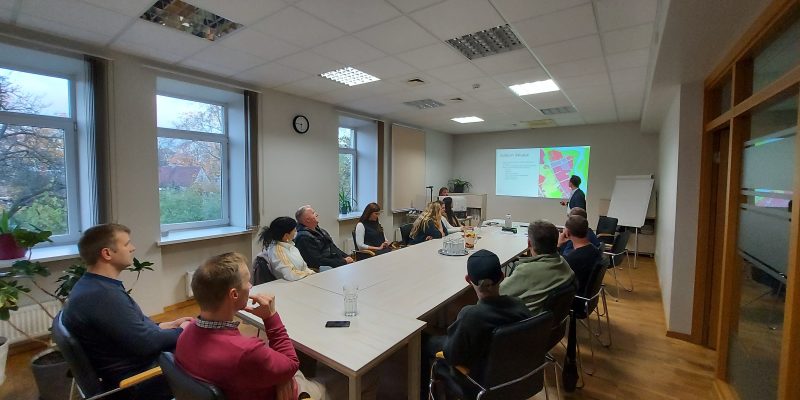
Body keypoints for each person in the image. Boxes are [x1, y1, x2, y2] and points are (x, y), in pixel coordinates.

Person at [175, 252, 344, 400]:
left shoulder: (185, 334)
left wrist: (280, 377)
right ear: (234, 294)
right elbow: (291, 364)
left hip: (249, 385)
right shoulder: (246, 352)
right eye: (247, 282)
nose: (250, 286)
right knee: (342, 380)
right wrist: (270, 317)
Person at [62, 223, 192, 400]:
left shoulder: (92, 285)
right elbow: (146, 343)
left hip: (133, 366)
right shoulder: (102, 296)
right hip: (140, 382)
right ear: (107, 253)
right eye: (126, 244)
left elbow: (129, 329)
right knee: (213, 357)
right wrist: (182, 331)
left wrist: (165, 325)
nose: (133, 248)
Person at [422, 250, 533, 398]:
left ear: (468, 279)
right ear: (502, 277)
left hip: (477, 383)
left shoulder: (470, 316)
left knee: (423, 341)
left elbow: (452, 356)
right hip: (513, 378)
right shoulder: (520, 306)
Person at [500, 220, 575, 315]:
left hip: (524, 320)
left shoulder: (526, 270)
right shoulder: (563, 262)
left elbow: (497, 294)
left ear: (529, 243)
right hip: (548, 319)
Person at [256, 217, 316, 281]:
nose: (296, 231)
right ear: (286, 236)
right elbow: (291, 275)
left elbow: (304, 267)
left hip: (302, 279)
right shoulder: (277, 251)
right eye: (294, 230)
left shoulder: (291, 246)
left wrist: (312, 273)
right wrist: (309, 273)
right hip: (290, 284)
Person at [562, 215, 601, 293]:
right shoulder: (595, 250)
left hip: (573, 296)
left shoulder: (572, 258)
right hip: (586, 294)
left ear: (567, 232)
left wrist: (558, 245)